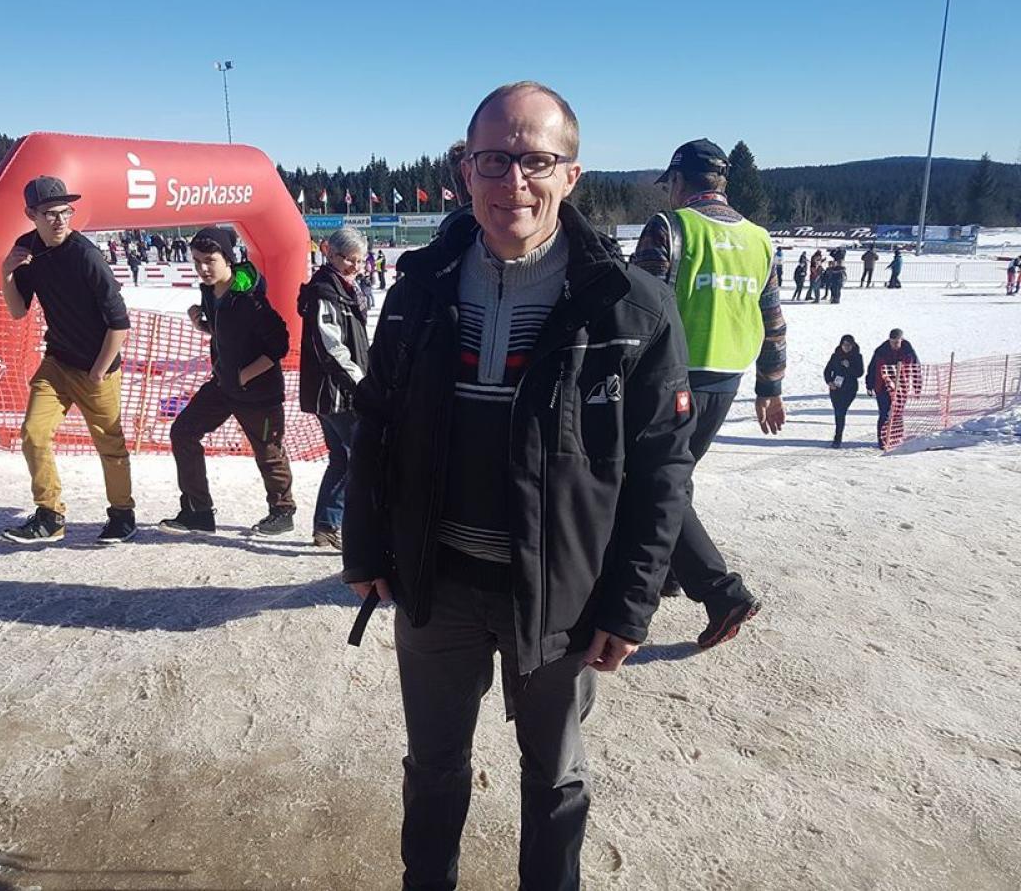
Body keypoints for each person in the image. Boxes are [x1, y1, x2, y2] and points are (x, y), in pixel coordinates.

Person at [342, 81, 695, 891]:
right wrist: (364, 541)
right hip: (441, 586)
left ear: (571, 175)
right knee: (433, 769)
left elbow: (661, 471)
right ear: (465, 169)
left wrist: (629, 602)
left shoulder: (629, 306)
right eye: (493, 160)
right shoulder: (420, 289)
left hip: (563, 601)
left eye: (535, 161)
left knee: (556, 780)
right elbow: (378, 424)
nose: (513, 184)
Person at [632, 136, 786, 643]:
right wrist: (770, 385)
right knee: (676, 478)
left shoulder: (671, 227)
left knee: (656, 484)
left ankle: (722, 593)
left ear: (678, 181)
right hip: (727, 379)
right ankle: (671, 574)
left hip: (670, 378)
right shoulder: (760, 239)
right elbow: (773, 318)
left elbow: (635, 304)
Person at [0, 175, 136, 544]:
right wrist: (7, 272)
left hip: (98, 366)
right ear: (31, 214)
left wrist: (97, 371)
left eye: (65, 212)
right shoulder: (26, 248)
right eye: (50, 213)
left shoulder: (86, 256)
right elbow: (17, 311)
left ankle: (123, 515)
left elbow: (120, 325)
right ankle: (50, 515)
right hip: (58, 361)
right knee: (33, 434)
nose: (59, 220)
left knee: (110, 444)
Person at [157, 227, 296, 536]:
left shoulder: (250, 299)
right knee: (183, 431)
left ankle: (282, 510)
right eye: (196, 261)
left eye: (209, 260)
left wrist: (243, 375)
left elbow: (279, 346)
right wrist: (202, 325)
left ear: (228, 258)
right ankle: (198, 511)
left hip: (258, 392)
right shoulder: (210, 291)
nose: (202, 269)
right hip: (222, 386)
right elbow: (228, 334)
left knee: (268, 452)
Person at [297, 227, 371, 550]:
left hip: (336, 392)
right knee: (367, 457)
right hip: (336, 394)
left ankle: (326, 527)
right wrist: (360, 383)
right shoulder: (324, 290)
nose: (355, 266)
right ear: (331, 254)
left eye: (359, 260)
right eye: (348, 259)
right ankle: (364, 529)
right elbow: (331, 347)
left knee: (341, 460)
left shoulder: (344, 288)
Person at [865, 328, 920, 450]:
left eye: (897, 342)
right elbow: (872, 368)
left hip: (901, 387)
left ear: (902, 340)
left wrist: (917, 386)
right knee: (884, 414)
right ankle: (882, 440)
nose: (895, 345)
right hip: (882, 387)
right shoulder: (880, 351)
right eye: (892, 342)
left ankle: (896, 437)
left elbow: (917, 367)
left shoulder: (908, 351)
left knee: (897, 413)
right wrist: (869, 385)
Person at [824, 335, 864, 448]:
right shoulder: (836, 355)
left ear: (853, 345)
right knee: (838, 411)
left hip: (849, 389)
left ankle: (837, 438)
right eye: (844, 345)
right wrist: (829, 382)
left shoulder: (857, 356)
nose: (846, 347)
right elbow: (827, 371)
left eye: (849, 345)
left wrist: (849, 366)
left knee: (841, 411)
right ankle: (838, 436)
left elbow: (859, 373)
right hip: (836, 388)